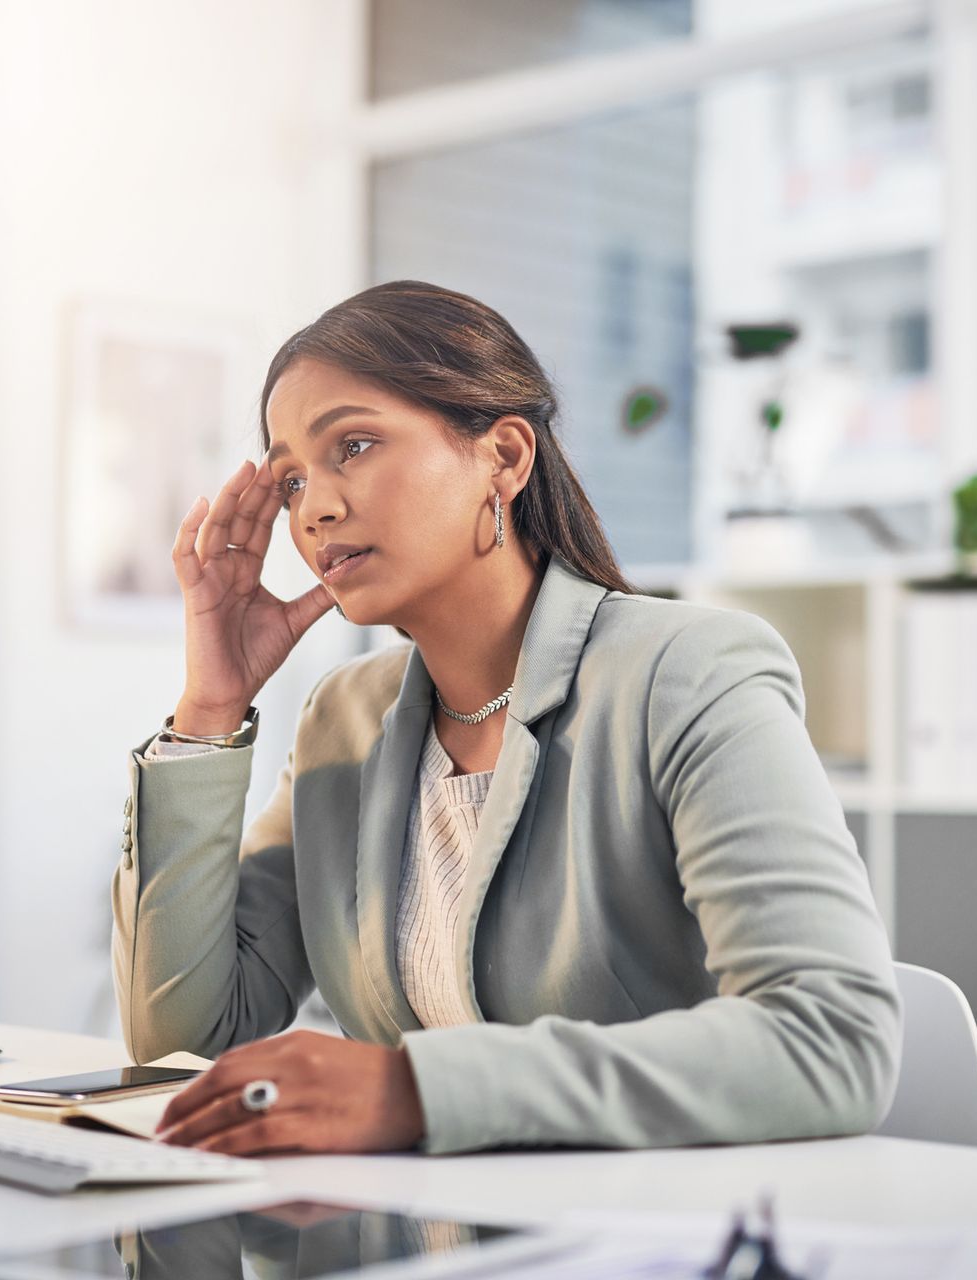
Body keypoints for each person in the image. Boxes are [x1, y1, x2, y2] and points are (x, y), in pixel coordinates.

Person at [113, 280, 902, 1157]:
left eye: (356, 446)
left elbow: (834, 1038)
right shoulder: (346, 719)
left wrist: (419, 1091)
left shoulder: (688, 675)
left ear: (505, 457)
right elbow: (180, 1037)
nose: (315, 509)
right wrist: (211, 706)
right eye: (293, 478)